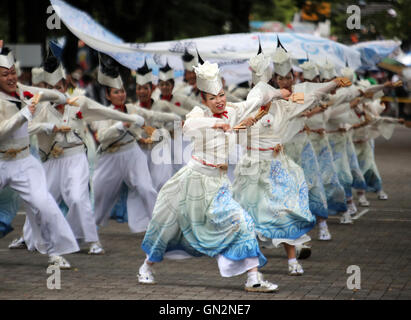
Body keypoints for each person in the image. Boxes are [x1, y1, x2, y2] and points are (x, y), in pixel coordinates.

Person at [139, 56, 280, 293]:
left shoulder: (232, 110)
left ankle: (253, 278)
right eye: (213, 98)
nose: (219, 101)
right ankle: (146, 266)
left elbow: (257, 96)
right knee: (169, 225)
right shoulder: (198, 114)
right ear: (204, 99)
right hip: (193, 180)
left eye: (222, 95)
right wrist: (214, 125)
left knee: (242, 221)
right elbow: (187, 127)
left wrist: (279, 93)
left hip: (218, 184)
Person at [233, 39, 345, 275]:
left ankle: (293, 259)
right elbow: (249, 108)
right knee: (248, 213)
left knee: (283, 209)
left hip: (277, 164)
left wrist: (334, 82)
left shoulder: (282, 103)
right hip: (253, 167)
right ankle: (250, 262)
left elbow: (311, 92)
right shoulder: (252, 102)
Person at [27, 52, 145, 255]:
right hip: (52, 161)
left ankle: (92, 240)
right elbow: (27, 127)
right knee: (40, 200)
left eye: (60, 87)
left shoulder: (78, 102)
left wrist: (130, 119)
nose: (57, 92)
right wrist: (48, 128)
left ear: (66, 86)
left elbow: (106, 112)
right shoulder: (41, 108)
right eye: (52, 89)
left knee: (77, 198)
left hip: (75, 158)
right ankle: (32, 238)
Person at [0, 43, 79, 268]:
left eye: (13, 72)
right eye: (5, 74)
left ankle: (55, 251)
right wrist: (24, 115)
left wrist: (63, 98)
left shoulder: (23, 91)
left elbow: (44, 93)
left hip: (23, 162)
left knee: (44, 204)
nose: (11, 77)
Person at [92, 54, 180, 237]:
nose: (121, 94)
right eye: (116, 92)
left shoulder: (131, 109)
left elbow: (155, 117)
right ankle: (89, 232)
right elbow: (102, 137)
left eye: (122, 91)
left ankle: (160, 228)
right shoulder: (104, 113)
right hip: (110, 158)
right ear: (108, 95)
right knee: (101, 201)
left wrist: (177, 119)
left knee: (146, 188)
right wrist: (120, 125)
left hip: (133, 154)